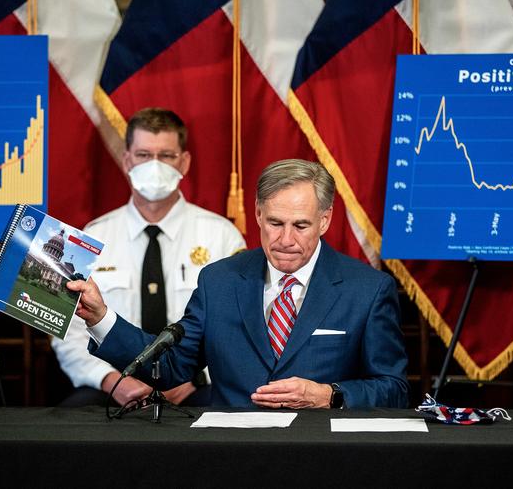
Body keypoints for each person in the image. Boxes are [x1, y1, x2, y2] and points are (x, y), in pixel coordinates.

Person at [71, 159, 409, 409]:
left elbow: (393, 388)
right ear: (258, 214)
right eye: (275, 223)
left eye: (301, 226)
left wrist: (329, 395)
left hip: (321, 455)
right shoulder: (219, 281)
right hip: (231, 457)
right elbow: (171, 368)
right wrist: (101, 318)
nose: (286, 239)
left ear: (325, 220)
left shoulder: (368, 289)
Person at [51, 108, 245, 407]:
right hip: (115, 384)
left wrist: (191, 379)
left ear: (184, 162)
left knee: (228, 414)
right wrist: (111, 380)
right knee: (72, 416)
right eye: (143, 155)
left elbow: (238, 328)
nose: (154, 166)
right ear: (127, 160)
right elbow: (68, 331)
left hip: (195, 387)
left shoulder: (221, 237)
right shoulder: (93, 237)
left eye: (166, 156)